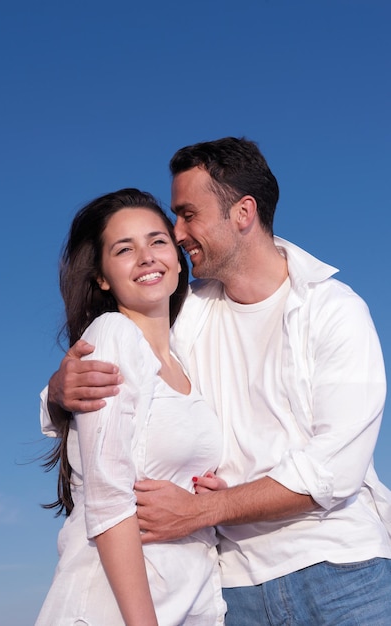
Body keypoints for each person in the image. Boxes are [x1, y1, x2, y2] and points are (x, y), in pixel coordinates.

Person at [41, 138, 391, 625]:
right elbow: (124, 366)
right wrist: (57, 392)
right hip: (233, 586)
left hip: (338, 570)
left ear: (243, 213)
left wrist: (201, 511)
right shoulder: (189, 312)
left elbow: (334, 470)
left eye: (187, 215)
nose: (177, 232)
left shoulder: (334, 311)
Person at [35, 188, 226, 626]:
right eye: (124, 249)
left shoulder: (184, 357)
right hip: (114, 610)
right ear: (102, 277)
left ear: (179, 258)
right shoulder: (113, 335)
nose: (146, 257)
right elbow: (108, 499)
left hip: (189, 601)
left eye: (157, 241)